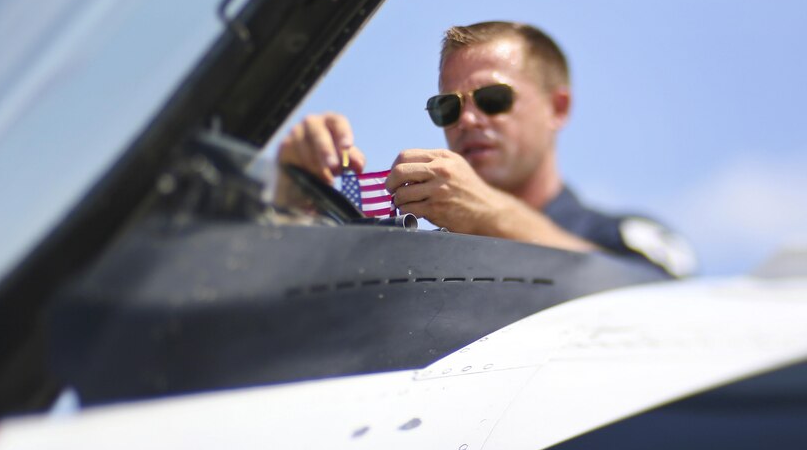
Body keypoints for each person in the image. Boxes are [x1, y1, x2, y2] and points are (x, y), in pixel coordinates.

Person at [278, 21, 695, 276]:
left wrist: (489, 215)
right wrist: (296, 202)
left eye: (494, 99)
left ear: (557, 107)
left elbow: (667, 307)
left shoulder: (620, 238)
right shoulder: (424, 258)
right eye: (448, 107)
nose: (468, 120)